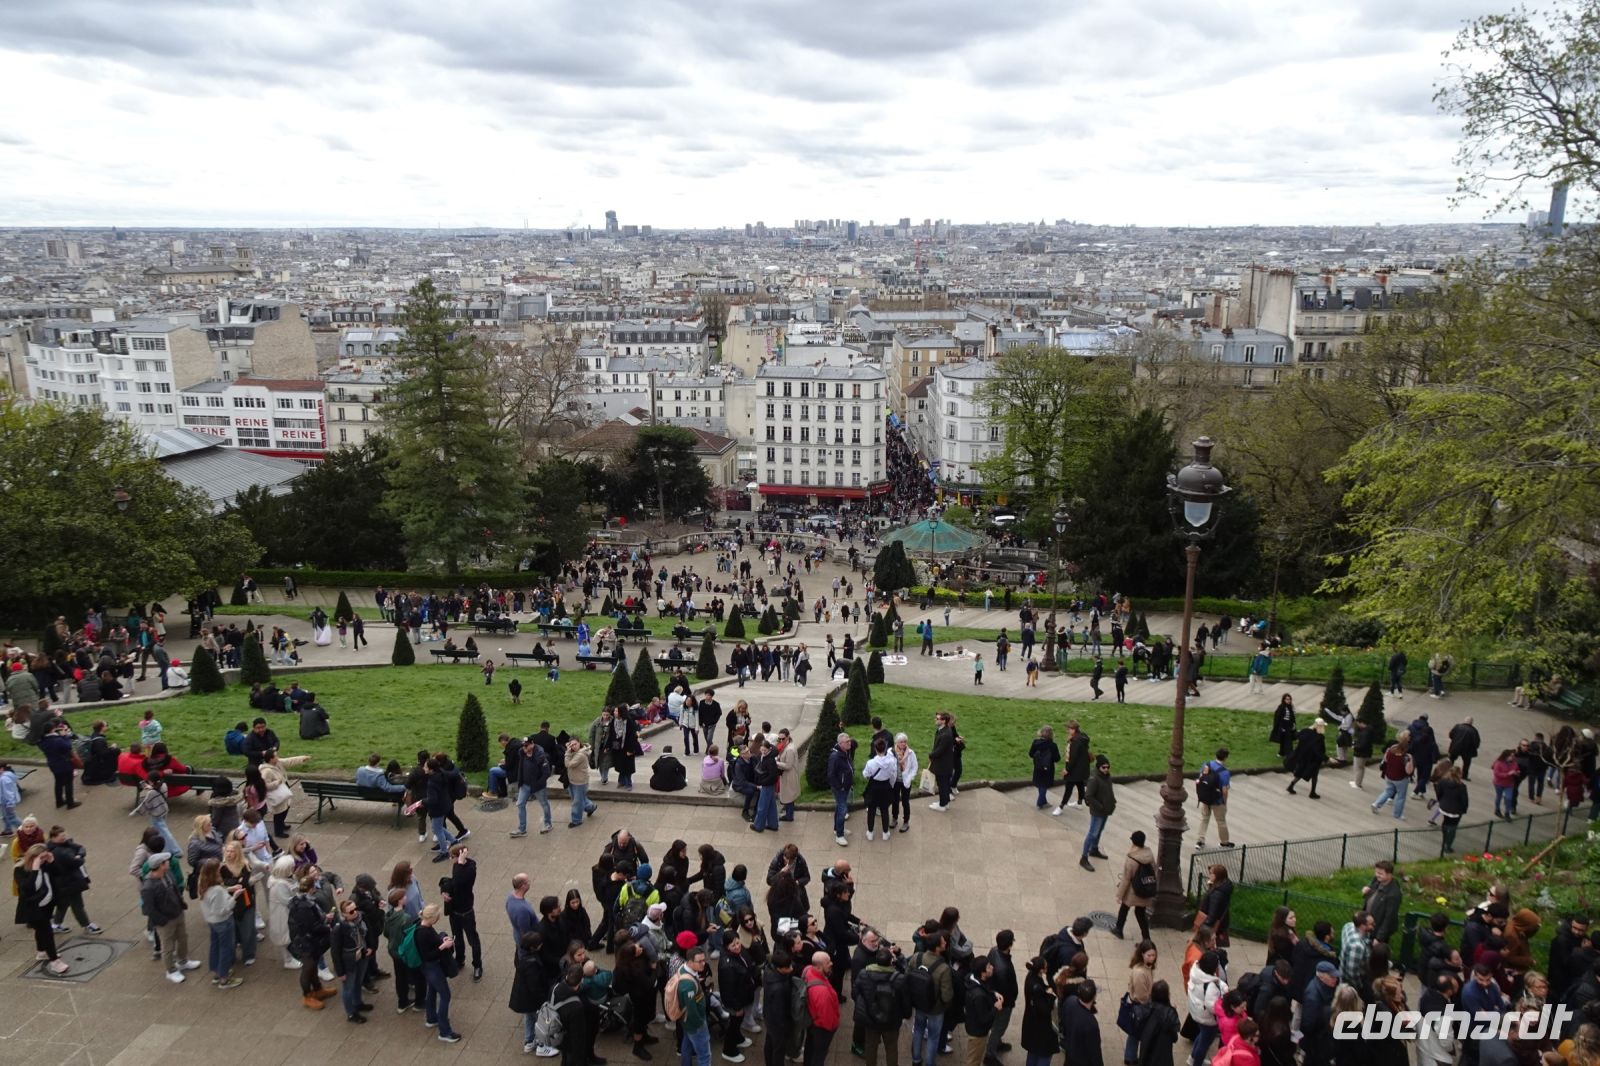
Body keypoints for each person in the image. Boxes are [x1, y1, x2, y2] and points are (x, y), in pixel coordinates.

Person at [141, 851, 201, 983]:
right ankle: (171, 970)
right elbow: (148, 909)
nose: (169, 862)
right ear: (160, 865)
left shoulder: (168, 874)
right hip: (165, 921)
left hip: (178, 913)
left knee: (183, 938)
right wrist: (161, 921)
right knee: (167, 947)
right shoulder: (148, 887)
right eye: (166, 861)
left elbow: (175, 890)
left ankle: (183, 960)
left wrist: (181, 904)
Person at [14, 843, 70, 975]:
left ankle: (42, 952)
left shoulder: (46, 865)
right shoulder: (20, 869)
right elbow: (27, 889)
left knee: (40, 930)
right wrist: (35, 869)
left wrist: (52, 861)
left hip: (47, 904)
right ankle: (55, 962)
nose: (43, 860)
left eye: (45, 857)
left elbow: (59, 874)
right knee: (47, 933)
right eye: (41, 858)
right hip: (33, 907)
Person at [415, 902, 463, 1042]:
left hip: (428, 968)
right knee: (445, 996)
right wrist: (443, 946)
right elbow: (427, 955)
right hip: (432, 967)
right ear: (432, 918)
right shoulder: (424, 933)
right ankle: (445, 1032)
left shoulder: (423, 927)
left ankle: (431, 1018)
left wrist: (442, 940)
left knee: (432, 990)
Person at [439, 842, 484, 980]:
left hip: (466, 912)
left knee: (473, 940)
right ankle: (459, 959)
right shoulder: (457, 866)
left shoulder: (470, 868)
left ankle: (477, 965)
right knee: (457, 937)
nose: (450, 860)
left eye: (451, 857)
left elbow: (458, 881)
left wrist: (459, 862)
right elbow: (451, 883)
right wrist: (444, 891)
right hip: (455, 912)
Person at [45, 825, 101, 934]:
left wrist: (79, 855)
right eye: (62, 836)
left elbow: (80, 848)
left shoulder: (60, 845)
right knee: (77, 905)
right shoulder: (61, 852)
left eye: (65, 835)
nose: (65, 837)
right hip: (70, 882)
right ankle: (87, 925)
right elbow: (77, 860)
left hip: (62, 882)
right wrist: (80, 857)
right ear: (54, 837)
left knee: (64, 903)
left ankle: (56, 924)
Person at [1185, 951, 1227, 1066]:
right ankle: (1197, 1062)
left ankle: (1193, 1057)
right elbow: (1212, 1007)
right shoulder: (1211, 985)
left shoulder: (1195, 972)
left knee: (1202, 1035)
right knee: (1205, 1043)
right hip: (1208, 1019)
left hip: (1197, 1013)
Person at [1114, 831, 1157, 941]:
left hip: (1133, 891)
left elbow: (1126, 879)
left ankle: (1119, 930)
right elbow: (1154, 870)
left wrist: (1119, 895)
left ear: (1133, 842)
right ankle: (1146, 937)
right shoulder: (1149, 854)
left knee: (1124, 908)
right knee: (1140, 913)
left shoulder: (1131, 859)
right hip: (1145, 889)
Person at [803, 951, 841, 1066]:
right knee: (819, 1055)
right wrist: (833, 1027)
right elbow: (827, 1020)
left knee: (810, 1049)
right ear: (818, 967)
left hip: (812, 1021)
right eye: (828, 962)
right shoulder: (822, 992)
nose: (831, 963)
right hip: (821, 1029)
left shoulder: (808, 970)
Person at [1018, 955, 1057, 1066]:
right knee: (1044, 1054)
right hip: (1040, 1027)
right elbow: (1044, 1011)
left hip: (1030, 1021)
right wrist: (1050, 996)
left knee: (1032, 1052)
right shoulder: (1037, 988)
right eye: (1045, 966)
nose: (1047, 966)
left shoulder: (1030, 976)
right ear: (1041, 970)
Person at [1081, 754, 1115, 871]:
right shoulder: (1094, 779)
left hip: (1106, 810)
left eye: (1107, 767)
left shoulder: (1107, 777)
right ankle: (1084, 858)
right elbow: (1088, 796)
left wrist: (1113, 802)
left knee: (1099, 831)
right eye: (1104, 767)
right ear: (1099, 767)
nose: (1106, 769)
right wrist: (1100, 806)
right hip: (1098, 811)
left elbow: (1109, 791)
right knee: (1092, 833)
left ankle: (1094, 849)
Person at [1193, 748, 1232, 849]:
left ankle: (1200, 841)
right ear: (1226, 758)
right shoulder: (1225, 772)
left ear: (1216, 755)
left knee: (1204, 818)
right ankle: (1224, 842)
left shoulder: (1207, 764)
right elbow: (1224, 790)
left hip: (1205, 797)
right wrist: (1224, 803)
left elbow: (1201, 777)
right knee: (1221, 821)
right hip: (1217, 800)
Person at [1362, 861, 1403, 944]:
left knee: (1376, 953)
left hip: (1378, 928)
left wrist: (1379, 938)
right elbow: (1371, 888)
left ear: (1389, 874)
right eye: (1376, 872)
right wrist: (1367, 889)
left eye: (1380, 873)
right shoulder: (1377, 880)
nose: (1377, 875)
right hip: (1368, 924)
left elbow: (1389, 918)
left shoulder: (1393, 895)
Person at [1054, 721, 1091, 814]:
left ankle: (1061, 806)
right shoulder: (1082, 737)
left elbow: (1073, 757)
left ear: (1074, 730)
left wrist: (1067, 769)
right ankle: (1079, 803)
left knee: (1069, 788)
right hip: (1083, 767)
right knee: (1080, 784)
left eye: (1069, 729)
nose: (1067, 731)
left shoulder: (1075, 741)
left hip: (1074, 768)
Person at [1286, 720, 1327, 799]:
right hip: (1313, 759)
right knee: (1314, 775)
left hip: (1304, 756)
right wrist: (1326, 758)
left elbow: (1296, 735)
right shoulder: (1319, 737)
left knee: (1300, 772)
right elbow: (1318, 750)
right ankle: (1312, 792)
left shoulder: (1306, 731)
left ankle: (1291, 786)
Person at [1029, 726, 1060, 811]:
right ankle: (1040, 802)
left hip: (1038, 767)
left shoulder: (1035, 742)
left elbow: (1031, 754)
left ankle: (1044, 802)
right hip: (1048, 768)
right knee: (1044, 785)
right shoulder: (1053, 746)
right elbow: (1057, 758)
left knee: (1040, 784)